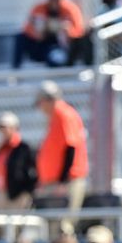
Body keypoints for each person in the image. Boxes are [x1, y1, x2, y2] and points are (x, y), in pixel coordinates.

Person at [33, 80, 88, 224]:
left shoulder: (63, 113)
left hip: (66, 182)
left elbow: (71, 147)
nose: (40, 109)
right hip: (56, 182)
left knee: (64, 228)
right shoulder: (55, 117)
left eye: (40, 103)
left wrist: (62, 181)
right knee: (53, 230)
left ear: (46, 100)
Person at [13, 0, 86, 68]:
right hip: (41, 45)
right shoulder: (38, 9)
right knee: (20, 37)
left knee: (56, 59)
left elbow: (79, 31)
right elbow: (27, 28)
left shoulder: (71, 10)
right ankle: (15, 70)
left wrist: (67, 30)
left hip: (62, 46)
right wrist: (39, 31)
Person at [0, 111, 37, 210]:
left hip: (18, 195)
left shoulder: (23, 148)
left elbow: (34, 170)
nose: (2, 131)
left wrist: (27, 191)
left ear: (14, 128)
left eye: (5, 127)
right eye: (0, 128)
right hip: (1, 193)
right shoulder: (1, 149)